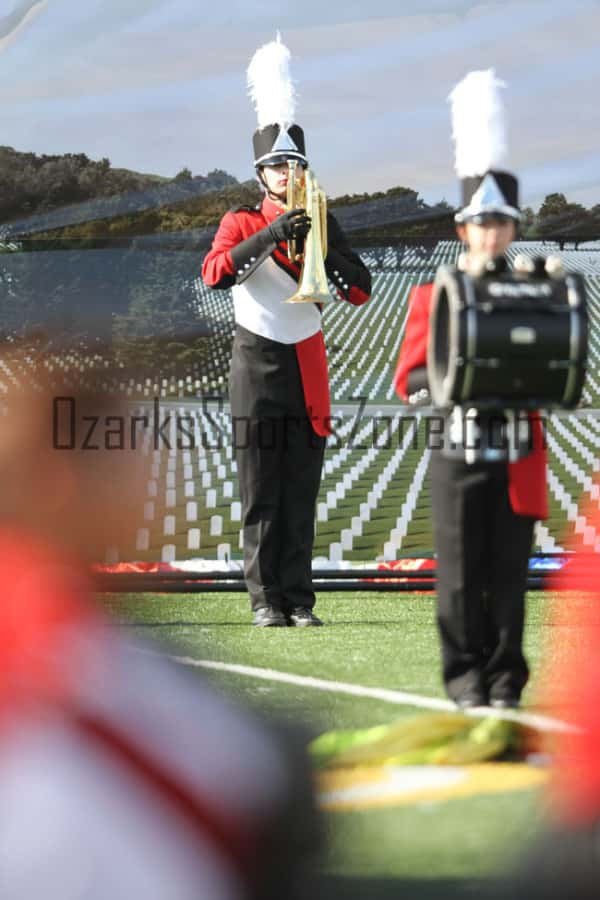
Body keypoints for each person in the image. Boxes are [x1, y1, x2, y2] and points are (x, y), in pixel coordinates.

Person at [0, 369, 319, 900]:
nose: (158, 477)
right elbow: (241, 782)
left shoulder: (63, 612)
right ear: (61, 479)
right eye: (126, 450)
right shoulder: (56, 639)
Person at [202, 36, 371, 627]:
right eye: (277, 165)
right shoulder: (240, 220)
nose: (286, 172)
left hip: (308, 364)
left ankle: (298, 599)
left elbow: (360, 288)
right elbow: (216, 274)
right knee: (261, 490)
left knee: (301, 491)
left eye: (294, 164)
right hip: (256, 365)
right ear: (261, 173)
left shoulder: (324, 216)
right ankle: (262, 598)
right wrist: (273, 236)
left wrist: (324, 243)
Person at [394, 70, 547, 709]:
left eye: (501, 223)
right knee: (457, 578)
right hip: (457, 451)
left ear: (512, 229)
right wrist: (454, 384)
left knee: (508, 578)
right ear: (464, 228)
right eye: (480, 222)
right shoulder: (433, 295)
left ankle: (506, 683)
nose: (490, 234)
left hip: (516, 452)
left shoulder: (539, 293)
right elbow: (408, 379)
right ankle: (465, 683)